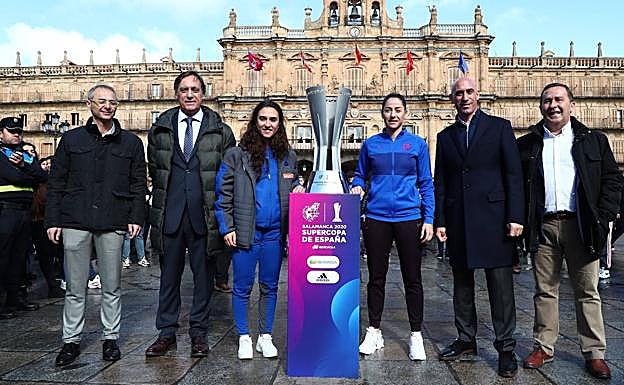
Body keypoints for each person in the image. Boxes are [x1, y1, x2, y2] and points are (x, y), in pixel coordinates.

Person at [517, 83, 621, 380]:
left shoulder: (594, 140)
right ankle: (544, 346)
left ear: (572, 105)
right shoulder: (528, 145)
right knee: (544, 290)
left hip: (582, 225)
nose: (553, 105)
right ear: (541, 106)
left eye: (559, 100)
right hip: (545, 225)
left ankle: (594, 353)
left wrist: (602, 218)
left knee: (588, 291)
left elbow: (613, 180)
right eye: (547, 100)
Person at [46, 84, 146, 366]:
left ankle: (110, 339)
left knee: (112, 286)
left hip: (113, 219)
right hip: (76, 219)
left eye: (112, 102)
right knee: (75, 287)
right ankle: (70, 342)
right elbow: (56, 182)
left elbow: (138, 184)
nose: (107, 106)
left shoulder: (131, 143)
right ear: (89, 104)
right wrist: (53, 219)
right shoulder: (71, 140)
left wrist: (136, 217)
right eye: (101, 101)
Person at [434, 77, 524, 378]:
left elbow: (513, 175)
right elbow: (442, 182)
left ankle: (506, 347)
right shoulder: (446, 136)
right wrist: (441, 220)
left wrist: (516, 216)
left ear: (478, 95)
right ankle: (465, 339)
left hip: (495, 219)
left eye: (469, 92)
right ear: (452, 99)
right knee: (462, 286)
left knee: (500, 289)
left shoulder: (499, 127)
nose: (464, 97)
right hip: (458, 219)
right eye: (458, 93)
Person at [145, 70, 235, 358]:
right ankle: (166, 332)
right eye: (184, 89)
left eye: (195, 89)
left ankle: (198, 333)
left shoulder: (220, 130)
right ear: (176, 94)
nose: (190, 94)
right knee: (168, 278)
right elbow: (155, 171)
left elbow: (229, 176)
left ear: (203, 93)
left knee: (203, 280)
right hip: (170, 215)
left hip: (204, 217)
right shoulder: (160, 128)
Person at [215, 99, 304, 360]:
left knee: (270, 286)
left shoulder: (288, 156)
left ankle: (265, 337)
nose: (268, 124)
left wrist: (298, 187)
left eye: (273, 119)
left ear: (280, 123)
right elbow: (223, 194)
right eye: (263, 119)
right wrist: (226, 227)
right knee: (242, 286)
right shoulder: (236, 154)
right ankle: (244, 336)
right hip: (245, 230)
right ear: (255, 121)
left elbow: (293, 182)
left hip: (275, 234)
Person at [351, 93, 434, 361]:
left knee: (413, 278)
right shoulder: (371, 144)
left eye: (398, 110)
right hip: (377, 216)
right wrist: (357, 185)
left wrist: (429, 218)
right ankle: (374, 330)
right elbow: (361, 173)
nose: (393, 114)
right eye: (388, 110)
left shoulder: (417, 145)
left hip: (409, 216)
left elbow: (426, 183)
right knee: (376, 277)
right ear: (382, 114)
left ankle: (416, 334)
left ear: (405, 113)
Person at [0, 117, 47, 319]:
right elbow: (15, 177)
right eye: (11, 131)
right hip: (5, 210)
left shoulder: (25, 154)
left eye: (19, 130)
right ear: (1, 133)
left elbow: (43, 176)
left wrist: (25, 167)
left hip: (25, 210)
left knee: (19, 256)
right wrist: (28, 172)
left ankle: (15, 297)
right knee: (3, 256)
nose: (17, 134)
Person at [31, 155, 65, 298]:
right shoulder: (36, 181)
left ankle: (60, 281)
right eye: (45, 163)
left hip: (57, 220)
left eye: (50, 163)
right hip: (39, 220)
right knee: (45, 255)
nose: (48, 166)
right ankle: (53, 284)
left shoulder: (57, 181)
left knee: (60, 253)